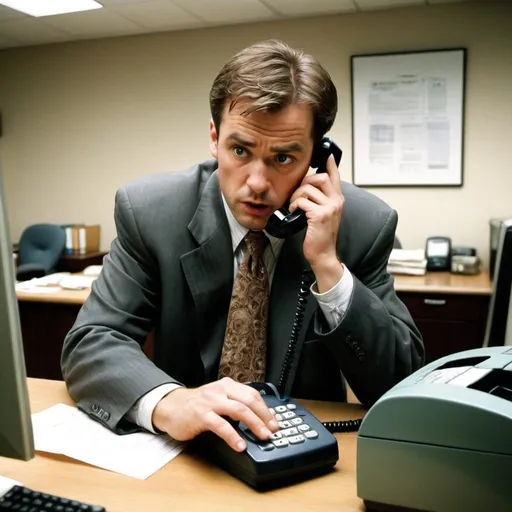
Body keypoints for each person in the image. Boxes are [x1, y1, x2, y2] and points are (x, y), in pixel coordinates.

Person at [61, 39, 424, 453]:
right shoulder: (150, 214)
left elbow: (400, 382)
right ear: (214, 138)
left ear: (319, 158)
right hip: (185, 455)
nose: (256, 183)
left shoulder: (363, 225)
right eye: (240, 150)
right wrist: (169, 400)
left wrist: (327, 264)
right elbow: (92, 340)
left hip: (301, 453)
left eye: (284, 158)